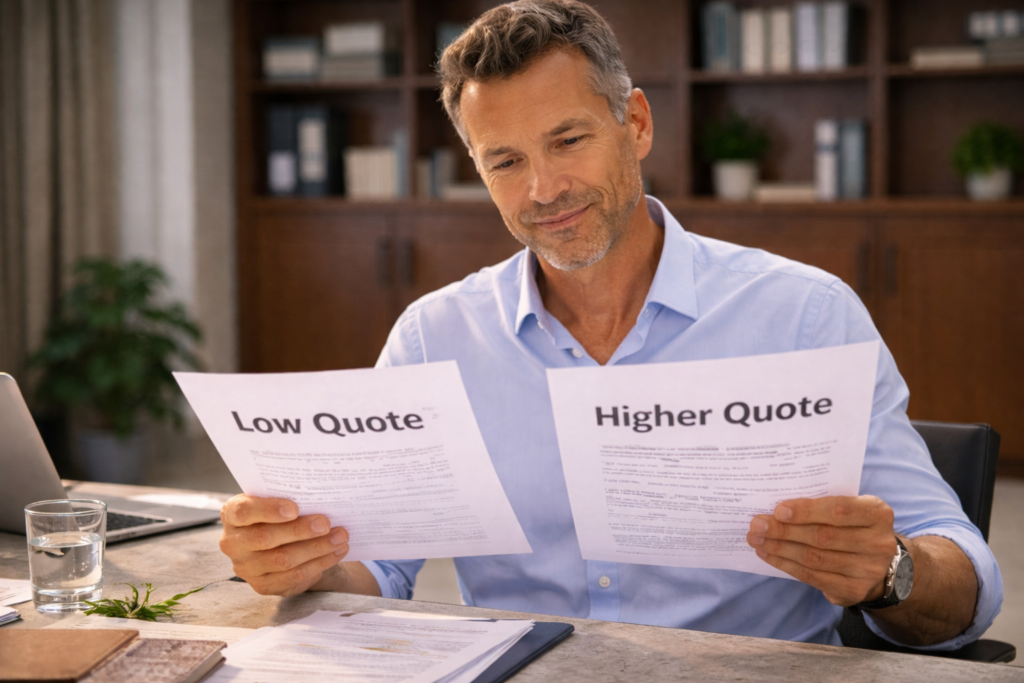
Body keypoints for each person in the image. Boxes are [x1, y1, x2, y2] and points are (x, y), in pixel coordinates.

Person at [219, 0, 1001, 648]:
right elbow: (380, 570)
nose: (544, 188)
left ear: (636, 123)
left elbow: (966, 581)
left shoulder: (805, 314)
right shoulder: (433, 338)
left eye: (568, 140)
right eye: (505, 161)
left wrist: (888, 571)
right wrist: (306, 565)